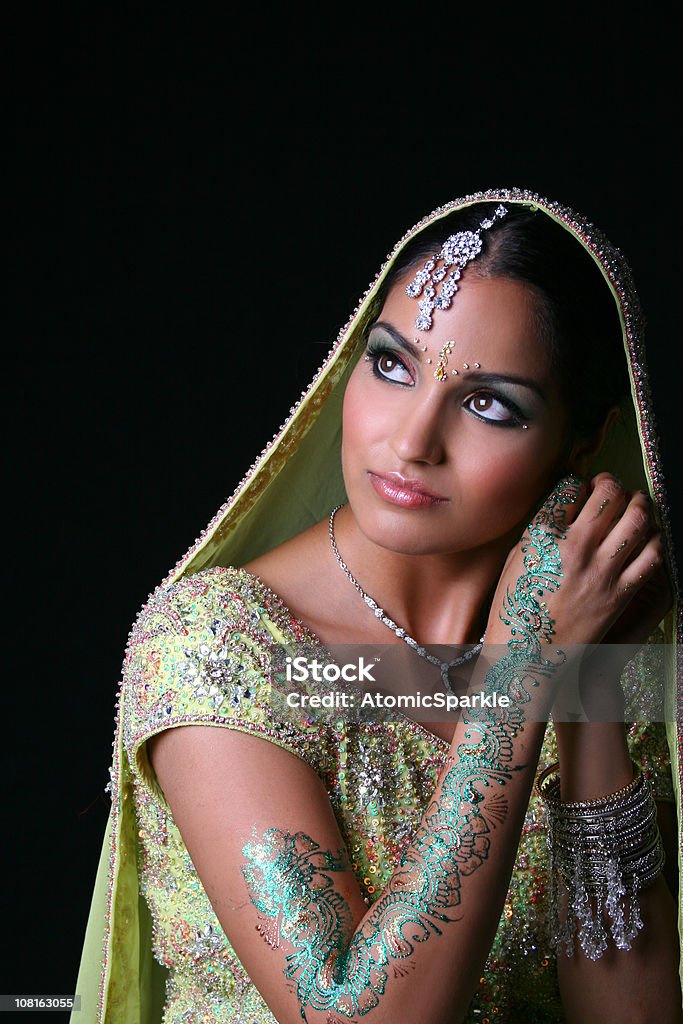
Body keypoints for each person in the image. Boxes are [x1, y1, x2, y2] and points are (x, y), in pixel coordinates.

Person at [72, 189, 682, 1023]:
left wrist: (589, 685)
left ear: (584, 440)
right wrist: (523, 671)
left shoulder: (594, 634)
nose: (410, 441)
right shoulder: (220, 643)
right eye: (391, 363)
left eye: (488, 404)